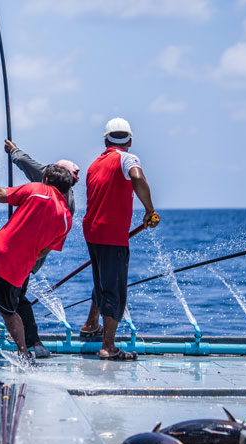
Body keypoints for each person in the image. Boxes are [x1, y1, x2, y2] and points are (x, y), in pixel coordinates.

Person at [0, 141, 80, 359]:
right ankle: (34, 344)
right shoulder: (67, 206)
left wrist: (13, 152)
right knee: (17, 298)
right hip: (30, 259)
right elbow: (46, 246)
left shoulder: (43, 188)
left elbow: (26, 167)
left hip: (14, 255)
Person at [79, 117, 160, 360]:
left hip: (93, 233)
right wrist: (149, 210)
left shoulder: (94, 164)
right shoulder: (128, 158)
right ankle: (108, 347)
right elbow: (137, 177)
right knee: (114, 288)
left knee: (104, 279)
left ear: (105, 140)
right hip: (112, 236)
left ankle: (91, 324)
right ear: (130, 141)